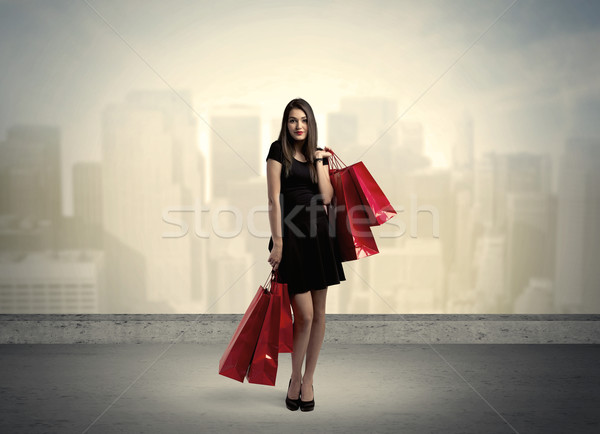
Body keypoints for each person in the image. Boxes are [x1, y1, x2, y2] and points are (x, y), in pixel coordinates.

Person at [266, 98, 346, 412]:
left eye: (304, 120)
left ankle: (309, 380)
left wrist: (321, 161)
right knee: (305, 317)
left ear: (310, 124)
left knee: (320, 315)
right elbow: (273, 199)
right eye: (292, 120)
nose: (298, 126)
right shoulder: (277, 151)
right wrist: (278, 243)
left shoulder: (316, 156)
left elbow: (326, 196)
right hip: (294, 240)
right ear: (285, 124)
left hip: (320, 237)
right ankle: (294, 379)